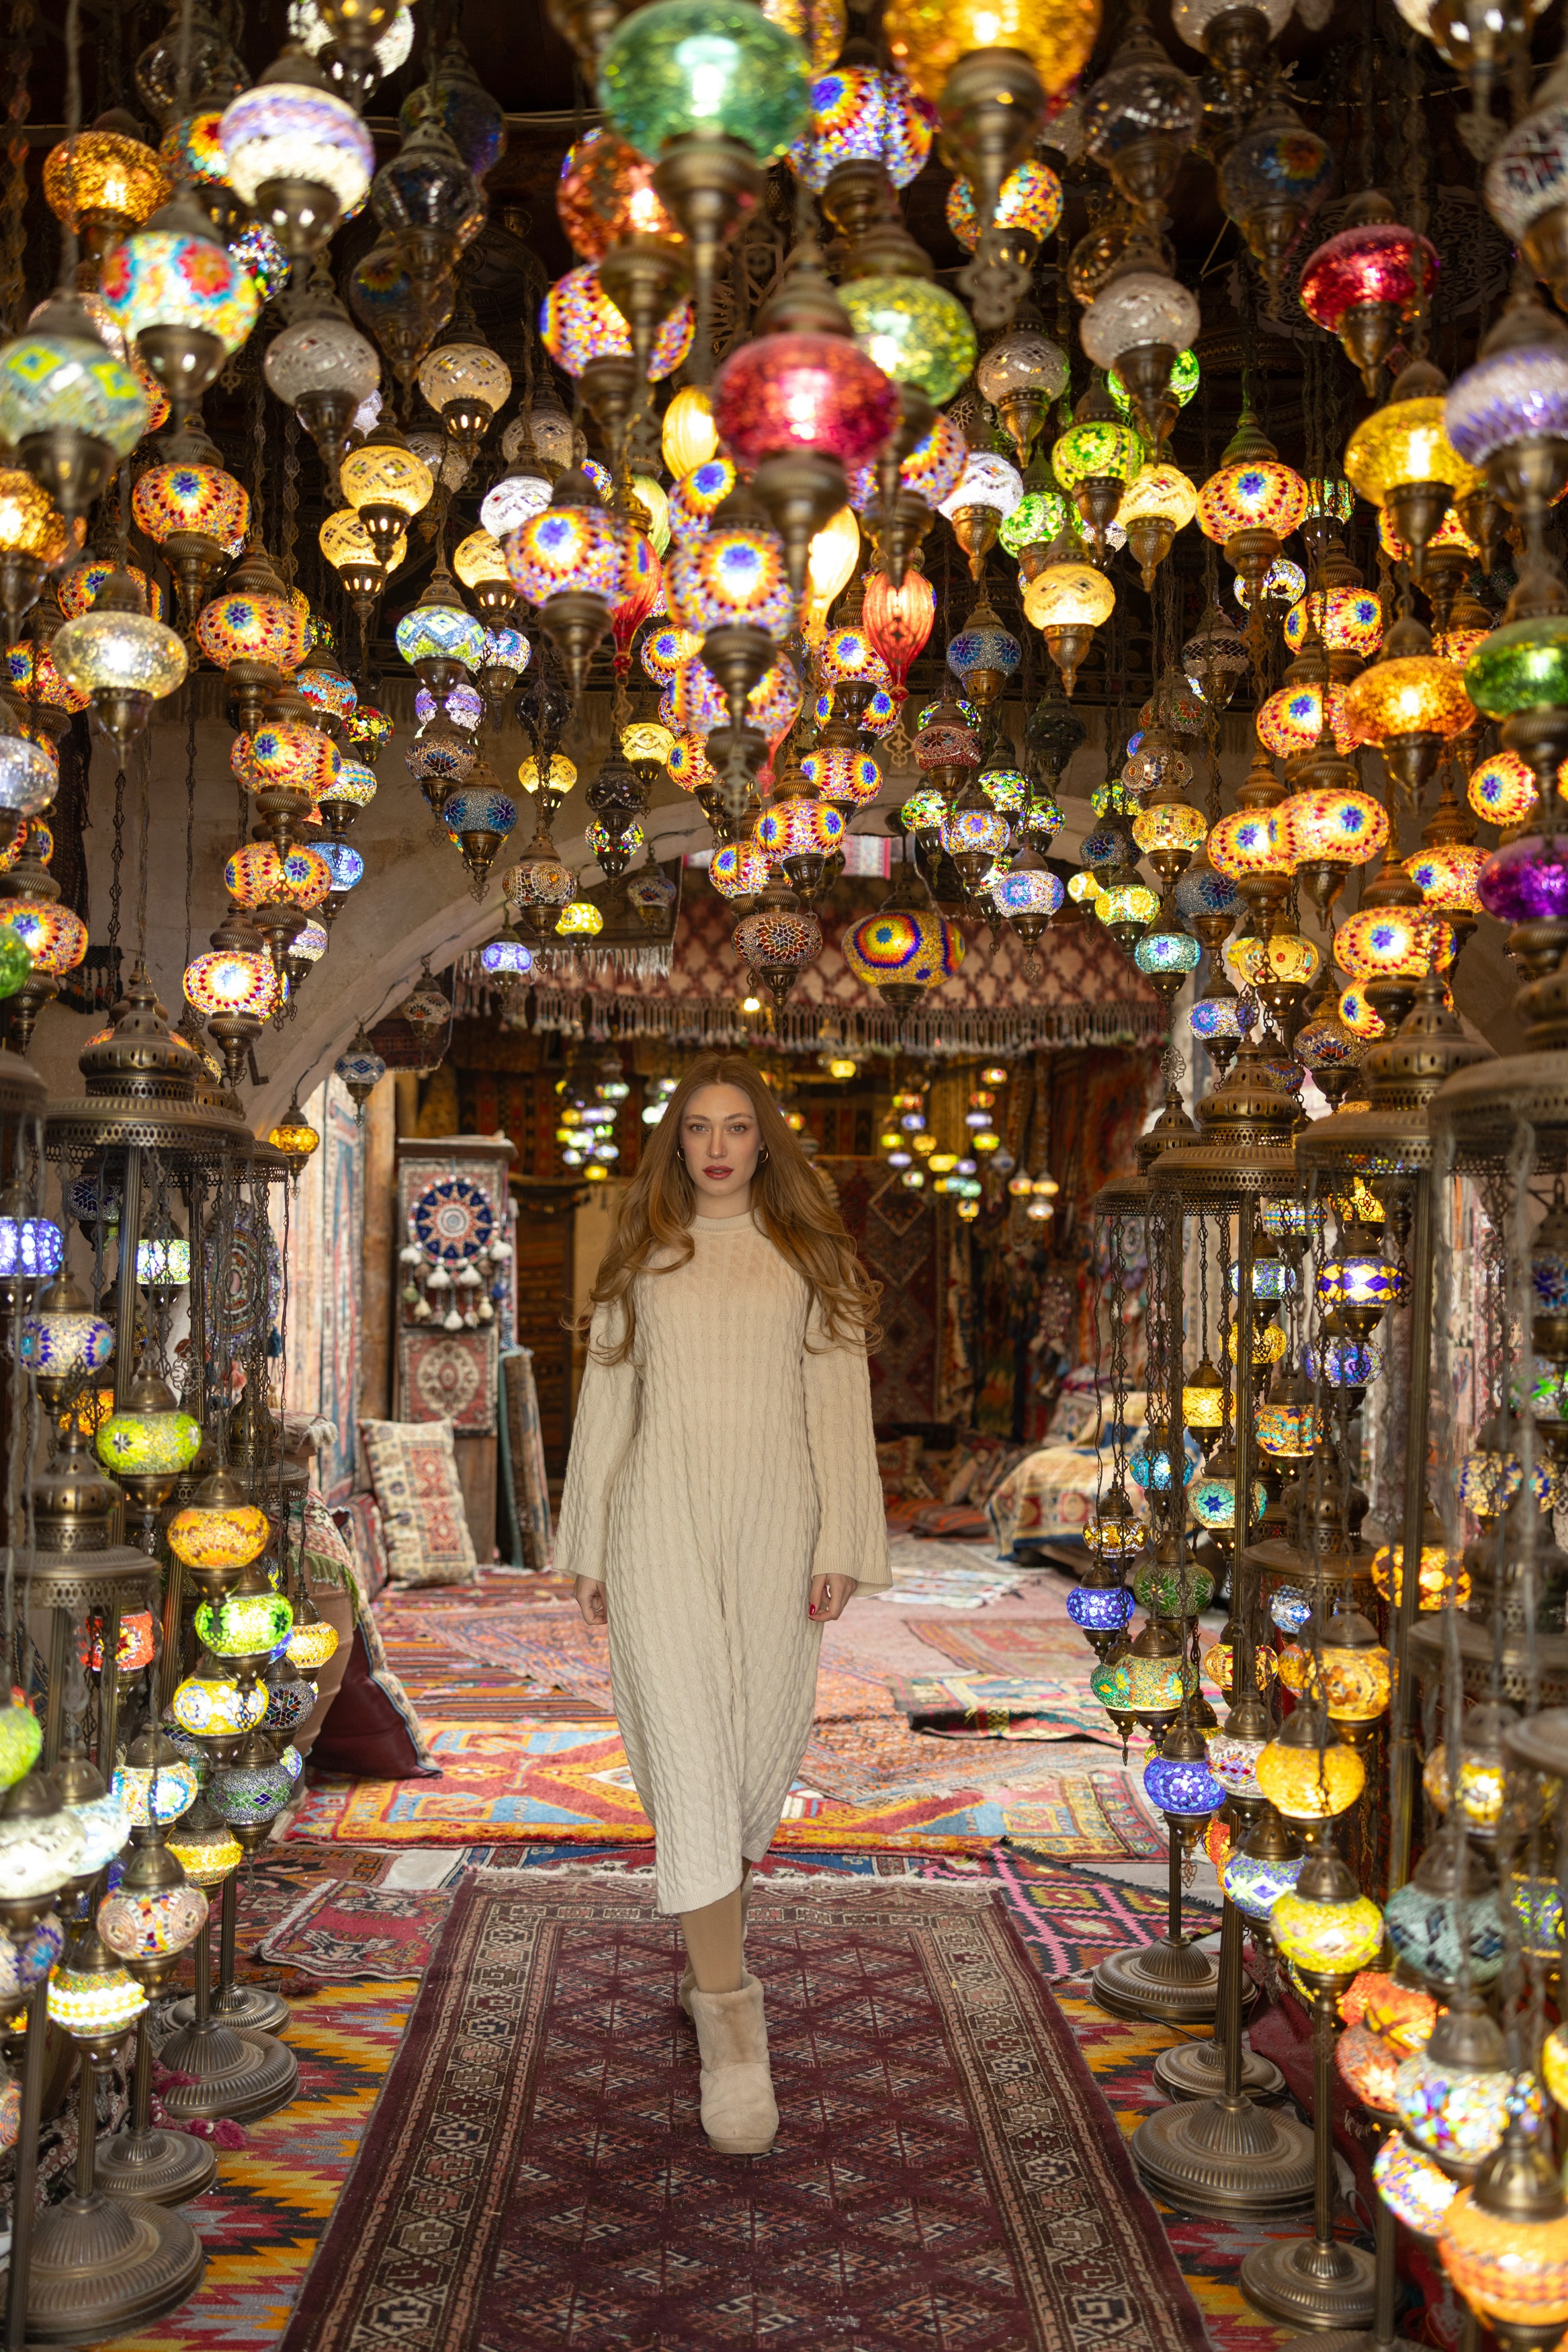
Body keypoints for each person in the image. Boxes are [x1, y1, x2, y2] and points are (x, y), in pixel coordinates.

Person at [555, 1052, 889, 2156]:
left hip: (776, 1525)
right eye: (697, 1127)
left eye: (736, 1127)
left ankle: (708, 1946)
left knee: (753, 1761)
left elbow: (838, 1405)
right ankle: (731, 2031)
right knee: (691, 1754)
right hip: (656, 1519)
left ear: (762, 1141)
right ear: (675, 1143)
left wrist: (842, 1542)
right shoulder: (642, 1256)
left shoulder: (809, 1256)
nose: (715, 1146)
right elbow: (607, 1399)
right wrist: (589, 1546)